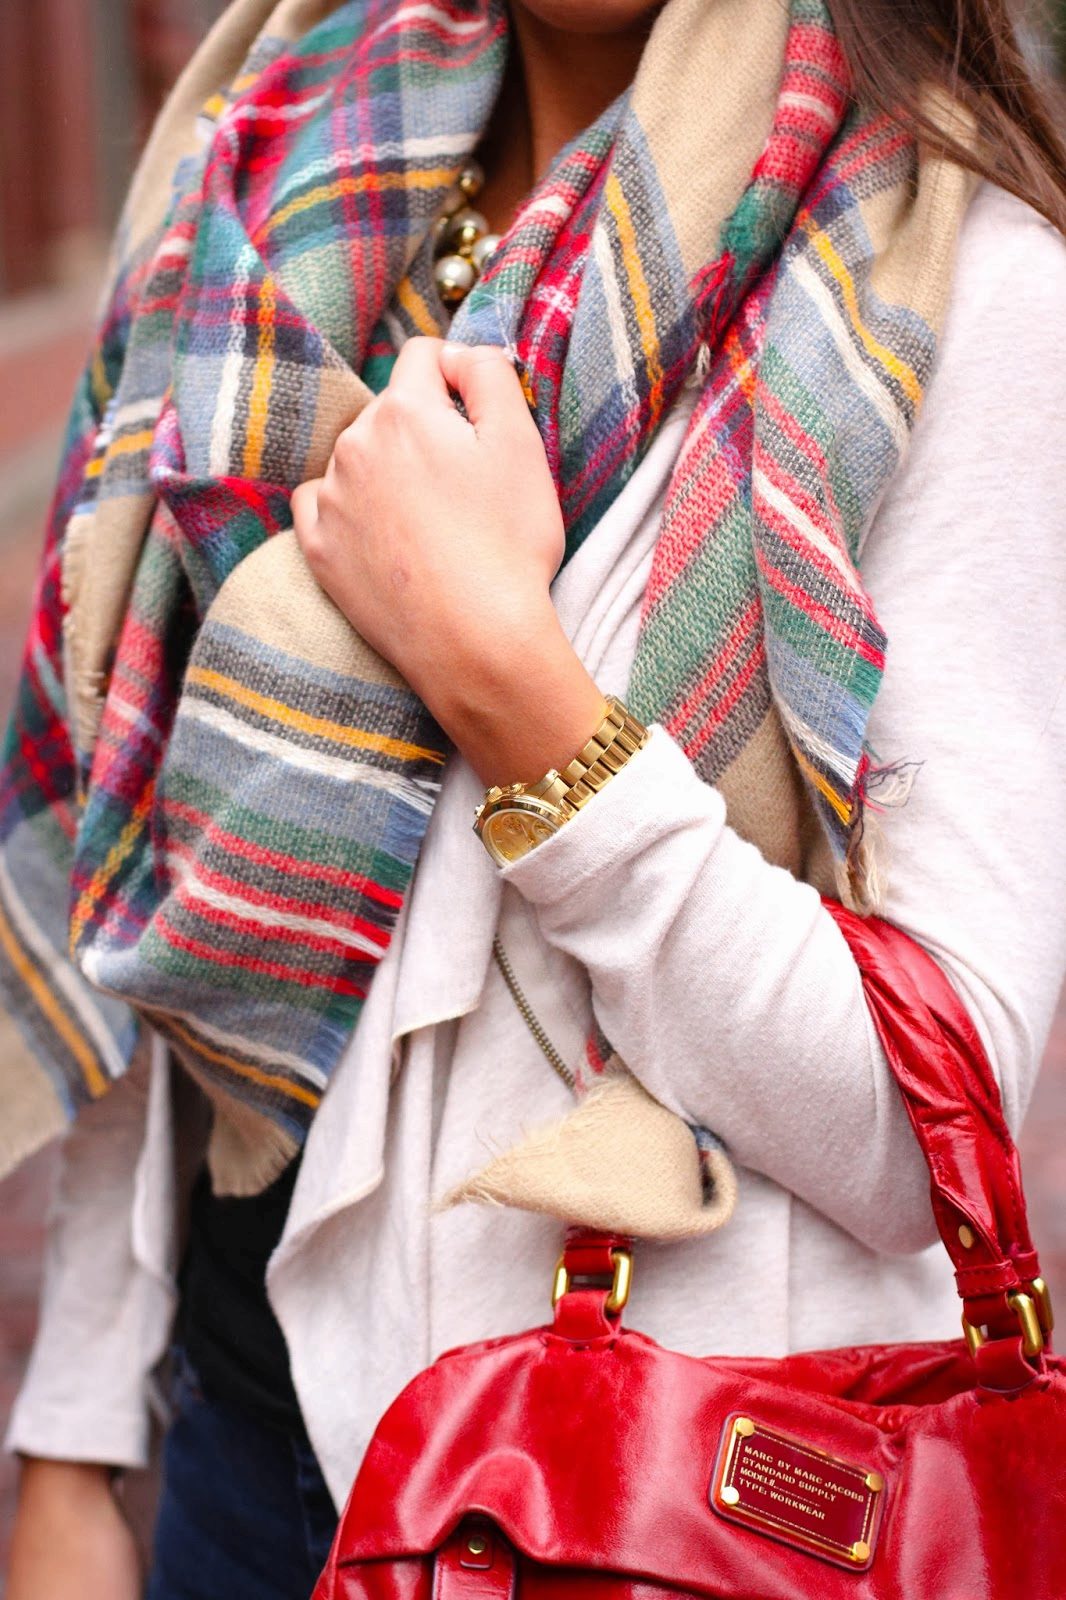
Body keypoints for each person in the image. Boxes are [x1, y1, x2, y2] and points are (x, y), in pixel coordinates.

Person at [4, 0, 1066, 1596]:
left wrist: (505, 677)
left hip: (625, 1493)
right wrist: (75, 1439)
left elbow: (917, 1133)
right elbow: (142, 849)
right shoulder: (267, 167)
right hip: (236, 1441)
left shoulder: (955, 285)